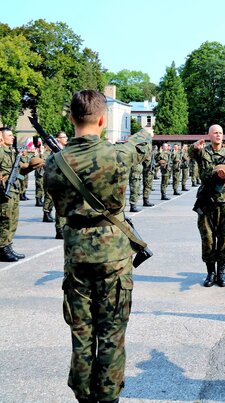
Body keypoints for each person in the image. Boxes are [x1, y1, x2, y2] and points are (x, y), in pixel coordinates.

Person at [45, 89, 151, 403]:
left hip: (76, 257)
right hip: (114, 259)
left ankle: (83, 396)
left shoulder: (55, 163)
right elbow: (140, 144)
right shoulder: (118, 155)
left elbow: (60, 207)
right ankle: (108, 397)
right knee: (112, 335)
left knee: (81, 334)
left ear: (71, 117)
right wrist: (143, 132)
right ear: (103, 120)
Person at [189, 124, 225, 288]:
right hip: (206, 200)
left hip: (224, 201)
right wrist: (194, 146)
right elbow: (191, 154)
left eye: (220, 133)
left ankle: (221, 272)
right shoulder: (203, 151)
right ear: (209, 135)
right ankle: (210, 272)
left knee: (224, 237)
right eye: (215, 133)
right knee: (208, 239)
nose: (218, 135)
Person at [0, 127, 44, 261]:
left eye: (12, 135)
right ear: (1, 137)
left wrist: (30, 167)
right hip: (3, 192)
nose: (12, 137)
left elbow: (19, 172)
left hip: (14, 190)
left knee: (13, 220)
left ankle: (8, 246)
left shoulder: (12, 152)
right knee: (4, 221)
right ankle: (2, 248)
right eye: (9, 135)